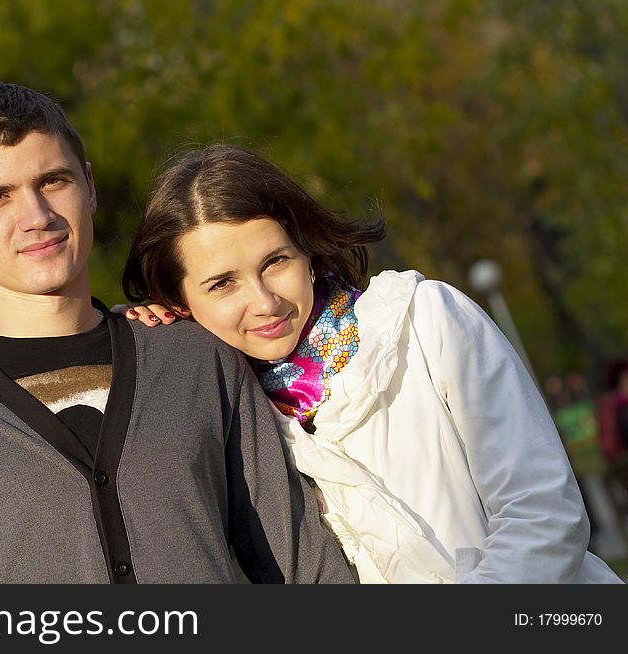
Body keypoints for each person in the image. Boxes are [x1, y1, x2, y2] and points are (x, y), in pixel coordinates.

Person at [0, 84, 353, 584]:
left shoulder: (197, 357)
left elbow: (307, 570)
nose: (36, 217)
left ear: (88, 187)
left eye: (52, 181)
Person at [120, 143, 623, 583]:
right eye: (222, 284)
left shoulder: (424, 321)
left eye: (276, 262)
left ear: (308, 253)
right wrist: (149, 341)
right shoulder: (233, 417)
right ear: (181, 301)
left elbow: (544, 512)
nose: (264, 301)